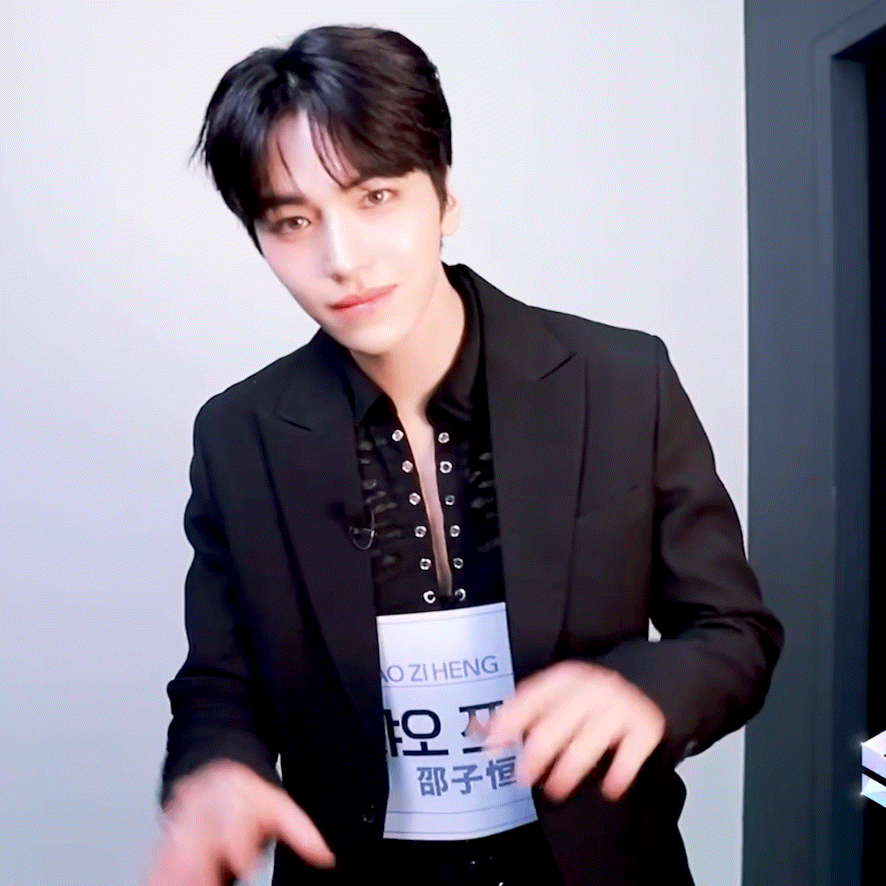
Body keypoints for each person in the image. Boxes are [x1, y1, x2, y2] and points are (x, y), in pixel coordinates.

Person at [146, 24, 784, 886]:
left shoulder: (621, 380)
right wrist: (217, 773)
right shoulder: (238, 434)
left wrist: (648, 686)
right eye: (293, 220)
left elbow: (734, 633)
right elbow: (220, 684)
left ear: (444, 197)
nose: (342, 259)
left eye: (376, 197)